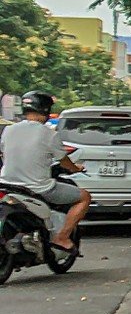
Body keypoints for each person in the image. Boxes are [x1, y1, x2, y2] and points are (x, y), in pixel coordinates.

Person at [0, 90, 90, 252]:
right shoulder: (49, 134)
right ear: (45, 110)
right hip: (38, 188)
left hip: (7, 184)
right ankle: (62, 237)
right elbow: (64, 161)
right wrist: (76, 168)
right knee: (84, 197)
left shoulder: (8, 130)